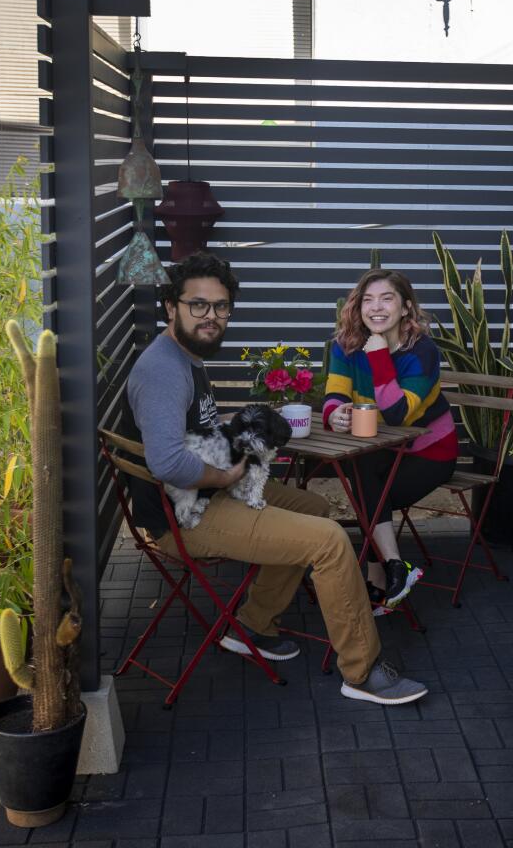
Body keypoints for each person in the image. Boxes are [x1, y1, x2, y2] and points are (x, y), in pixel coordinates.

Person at [126, 252, 427, 706]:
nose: (211, 316)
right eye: (198, 305)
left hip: (206, 494)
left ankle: (252, 626)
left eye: (221, 307)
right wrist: (227, 472)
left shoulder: (184, 355)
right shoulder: (163, 369)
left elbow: (189, 431)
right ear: (172, 307)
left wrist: (231, 425)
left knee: (316, 508)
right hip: (186, 515)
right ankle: (362, 672)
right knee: (328, 541)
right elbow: (168, 463)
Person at [322, 269, 458, 611]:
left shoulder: (422, 352)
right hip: (378, 450)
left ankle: (376, 579)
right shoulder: (345, 345)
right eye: (368, 299)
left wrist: (379, 353)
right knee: (365, 472)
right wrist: (334, 414)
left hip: (430, 453)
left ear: (406, 307)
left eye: (387, 298)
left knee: (370, 497)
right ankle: (395, 568)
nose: (376, 307)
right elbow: (334, 394)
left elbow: (398, 413)